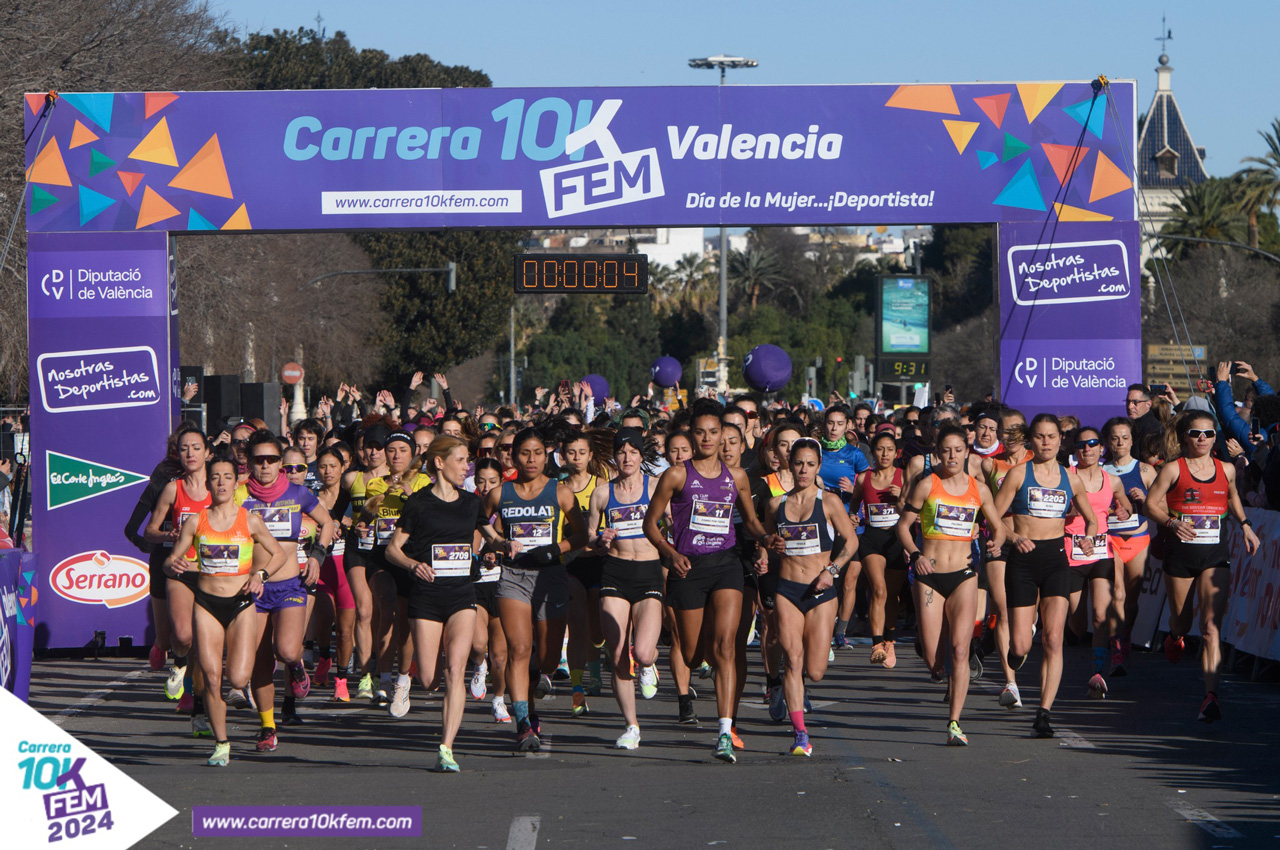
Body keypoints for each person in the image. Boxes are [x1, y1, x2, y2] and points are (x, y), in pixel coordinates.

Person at [643, 399, 773, 764]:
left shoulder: (738, 477)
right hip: (688, 568)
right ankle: (697, 661)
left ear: (723, 436)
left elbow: (750, 521)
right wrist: (670, 554)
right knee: (692, 653)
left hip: (726, 564)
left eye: (714, 432)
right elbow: (649, 524)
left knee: (726, 646)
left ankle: (724, 731)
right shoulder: (677, 475)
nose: (707, 438)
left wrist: (765, 539)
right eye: (699, 432)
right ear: (691, 434)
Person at [166, 452, 287, 767]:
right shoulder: (196, 521)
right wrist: (174, 563)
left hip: (241, 604)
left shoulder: (249, 519)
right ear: (208, 483)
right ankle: (221, 743)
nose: (220, 482)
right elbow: (171, 561)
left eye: (227, 477)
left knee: (237, 675)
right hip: (206, 603)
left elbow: (278, 554)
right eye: (215, 477)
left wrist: (260, 576)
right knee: (210, 674)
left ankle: (241, 687)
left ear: (236, 483)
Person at [1144, 411, 1260, 723]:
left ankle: (1211, 696)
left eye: (1208, 434)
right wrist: (1171, 522)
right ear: (1184, 437)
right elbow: (1150, 504)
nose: (1202, 439)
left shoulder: (1225, 468)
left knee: (1210, 627)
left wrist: (1246, 525)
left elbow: (1232, 496)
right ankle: (1175, 636)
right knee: (1181, 622)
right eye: (1195, 433)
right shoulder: (1173, 469)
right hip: (1180, 555)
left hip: (1214, 555)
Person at [992, 414, 1099, 738]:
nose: (1046, 442)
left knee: (1054, 639)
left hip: (1056, 560)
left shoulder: (1071, 478)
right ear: (1030, 440)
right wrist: (1012, 539)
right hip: (1022, 562)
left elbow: (1092, 520)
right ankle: (1015, 654)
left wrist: (1087, 537)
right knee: (1022, 645)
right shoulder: (1017, 475)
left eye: (1052, 436)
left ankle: (1044, 712)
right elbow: (994, 518)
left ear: (1060, 440)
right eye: (1039, 437)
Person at [483, 426, 589, 752]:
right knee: (518, 649)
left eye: (538, 453)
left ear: (547, 457)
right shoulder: (501, 493)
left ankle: (532, 681)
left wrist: (556, 548)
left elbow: (582, 535)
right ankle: (524, 722)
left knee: (545, 657)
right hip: (513, 576)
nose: (531, 459)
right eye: (525, 453)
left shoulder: (560, 492)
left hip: (551, 577)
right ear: (515, 456)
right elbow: (481, 524)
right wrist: (496, 544)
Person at [898, 425, 1005, 746]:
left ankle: (954, 722)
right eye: (946, 450)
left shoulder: (980, 489)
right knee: (935, 659)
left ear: (967, 452)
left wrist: (995, 544)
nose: (952, 456)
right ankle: (930, 649)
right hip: (929, 575)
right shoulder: (927, 484)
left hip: (964, 575)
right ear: (937, 453)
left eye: (958, 450)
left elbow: (997, 528)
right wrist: (916, 554)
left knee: (960, 650)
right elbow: (903, 527)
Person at [385, 435, 484, 772]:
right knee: (429, 678)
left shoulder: (472, 502)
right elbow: (392, 550)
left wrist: (506, 543)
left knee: (456, 669)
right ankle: (417, 684)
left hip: (461, 594)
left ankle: (447, 746)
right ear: (440, 463)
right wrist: (413, 565)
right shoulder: (419, 504)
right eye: (461, 460)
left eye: (468, 460)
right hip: (426, 596)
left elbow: (491, 534)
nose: (467, 466)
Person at [759, 438, 859, 756]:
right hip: (787, 590)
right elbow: (766, 540)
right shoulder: (776, 505)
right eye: (798, 463)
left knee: (814, 671)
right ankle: (800, 733)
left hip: (820, 593)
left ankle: (802, 679)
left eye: (810, 464)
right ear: (790, 463)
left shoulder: (828, 502)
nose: (803, 470)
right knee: (793, 660)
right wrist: (765, 551)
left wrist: (832, 570)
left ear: (818, 467)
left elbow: (852, 542)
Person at [237, 431, 335, 753]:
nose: (265, 466)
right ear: (249, 463)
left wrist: (317, 558)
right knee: (259, 660)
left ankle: (296, 667)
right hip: (252, 588)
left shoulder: (298, 493)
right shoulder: (240, 497)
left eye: (272, 460)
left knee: (288, 650)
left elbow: (328, 523)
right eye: (258, 460)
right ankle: (267, 727)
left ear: (281, 463)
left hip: (290, 583)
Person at [586, 428, 664, 749]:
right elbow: (589, 536)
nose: (627, 458)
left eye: (633, 452)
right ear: (614, 457)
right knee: (618, 654)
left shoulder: (656, 488)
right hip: (615, 573)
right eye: (621, 452)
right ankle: (631, 726)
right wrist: (600, 541)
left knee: (642, 652)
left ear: (641, 456)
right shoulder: (603, 494)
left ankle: (649, 664)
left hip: (648, 572)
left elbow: (672, 522)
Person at [143, 425, 211, 733]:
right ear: (178, 454)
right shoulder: (174, 488)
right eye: (184, 449)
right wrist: (169, 534)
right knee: (183, 636)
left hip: (213, 574)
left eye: (196, 448)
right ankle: (179, 664)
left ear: (207, 452)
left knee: (204, 647)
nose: (190, 454)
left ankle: (198, 707)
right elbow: (149, 530)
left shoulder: (221, 486)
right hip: (180, 570)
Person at [361, 431, 432, 715]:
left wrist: (409, 494)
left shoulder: (425, 482)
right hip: (381, 555)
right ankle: (384, 677)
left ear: (412, 452)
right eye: (391, 450)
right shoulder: (375, 483)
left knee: (404, 620)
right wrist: (366, 517)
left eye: (402, 450)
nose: (396, 455)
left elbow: (429, 517)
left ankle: (402, 679)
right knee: (387, 607)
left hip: (410, 557)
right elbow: (366, 516)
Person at [1063, 427, 1132, 700]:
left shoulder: (1111, 480)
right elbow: (1057, 511)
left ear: (1101, 448)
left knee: (1101, 615)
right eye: (1081, 445)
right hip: (1072, 550)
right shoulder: (1066, 478)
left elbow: (1123, 505)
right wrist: (1069, 509)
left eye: (1092, 443)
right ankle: (1077, 634)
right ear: (1075, 450)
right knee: (1078, 624)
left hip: (1101, 551)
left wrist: (1125, 508)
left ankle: (1097, 674)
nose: (1087, 449)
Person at [559, 428, 612, 717]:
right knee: (577, 625)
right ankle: (578, 689)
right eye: (571, 452)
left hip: (600, 562)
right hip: (571, 565)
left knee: (597, 628)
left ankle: (596, 666)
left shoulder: (602, 485)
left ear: (591, 455)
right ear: (562, 456)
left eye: (582, 452)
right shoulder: (557, 488)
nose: (577, 458)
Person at [1101, 418, 1157, 677]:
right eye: (1115, 438)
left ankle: (1124, 637)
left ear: (1133, 440)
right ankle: (1116, 647)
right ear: (1107, 442)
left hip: (1138, 540)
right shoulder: (1101, 471)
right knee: (1118, 595)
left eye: (1125, 437)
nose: (1120, 443)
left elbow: (1162, 509)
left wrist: (1146, 500)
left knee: (1131, 601)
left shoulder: (1146, 471)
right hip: (1111, 540)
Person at [848, 427, 906, 667]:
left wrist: (901, 497)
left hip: (896, 539)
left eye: (889, 450)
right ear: (873, 452)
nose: (885, 454)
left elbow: (914, 509)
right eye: (880, 449)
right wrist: (853, 516)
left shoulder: (903, 477)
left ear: (896, 453)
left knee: (892, 596)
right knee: (879, 590)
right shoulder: (864, 478)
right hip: (872, 539)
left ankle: (889, 642)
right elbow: (854, 503)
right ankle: (876, 644)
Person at [468, 458, 511, 722]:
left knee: (501, 654)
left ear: (501, 483)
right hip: (475, 586)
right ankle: (478, 665)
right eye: (481, 481)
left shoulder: (508, 511)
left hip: (504, 586)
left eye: (492, 482)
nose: (486, 487)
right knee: (477, 643)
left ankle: (499, 700)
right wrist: (478, 554)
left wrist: (499, 555)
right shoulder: (467, 508)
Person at [312, 446, 355, 700]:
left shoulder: (351, 498)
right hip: (321, 566)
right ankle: (324, 656)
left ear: (343, 468)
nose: (327, 471)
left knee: (346, 630)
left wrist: (351, 522)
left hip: (346, 568)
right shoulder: (311, 498)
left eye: (333, 466)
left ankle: (341, 680)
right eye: (322, 466)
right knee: (324, 616)